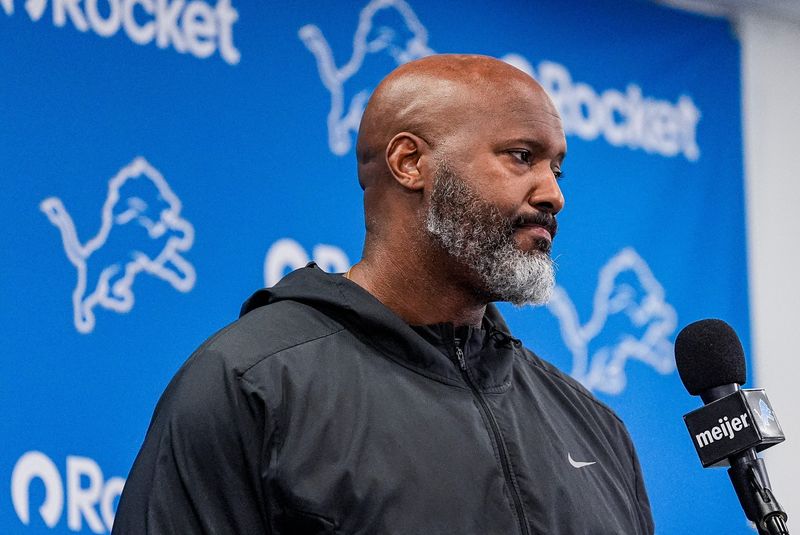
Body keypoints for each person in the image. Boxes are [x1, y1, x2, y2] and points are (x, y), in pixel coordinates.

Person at [113, 54, 654, 534]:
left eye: (556, 168)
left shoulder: (593, 427)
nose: (553, 194)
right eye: (520, 156)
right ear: (409, 162)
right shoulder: (253, 382)